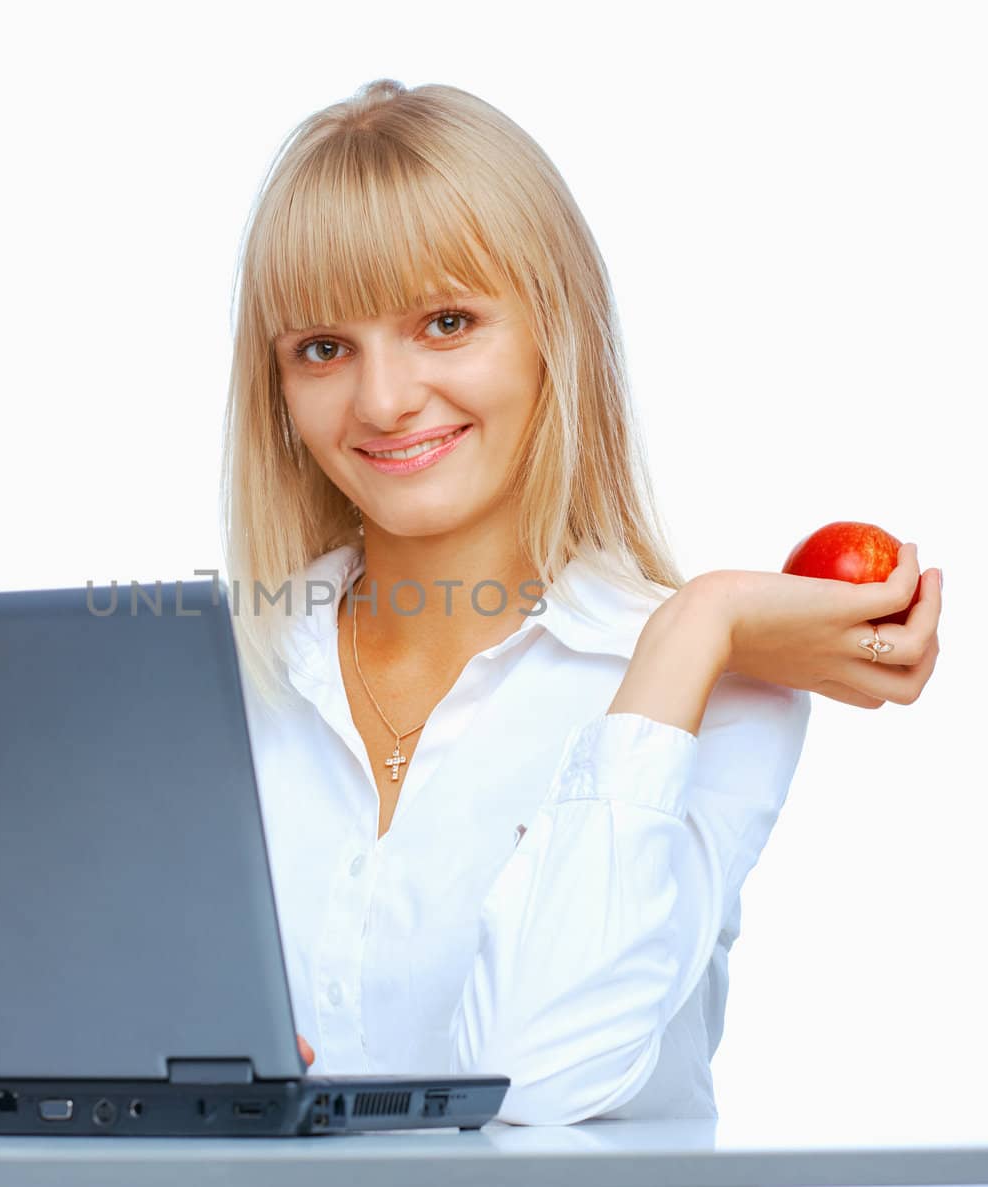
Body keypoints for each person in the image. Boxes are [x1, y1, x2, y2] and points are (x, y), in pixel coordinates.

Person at [216, 79, 942, 1126]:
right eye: (322, 347)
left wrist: (699, 622)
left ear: (554, 328)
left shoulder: (717, 689)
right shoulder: (221, 680)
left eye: (446, 321)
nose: (380, 400)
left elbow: (533, 1085)